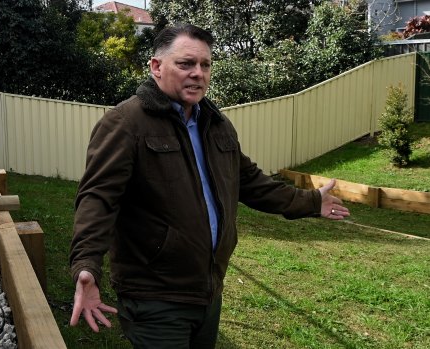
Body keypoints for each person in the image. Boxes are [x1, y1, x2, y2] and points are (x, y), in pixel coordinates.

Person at [69, 23, 350, 349]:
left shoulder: (216, 124)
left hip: (208, 290)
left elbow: (251, 182)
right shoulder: (126, 123)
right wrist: (86, 265)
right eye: (186, 64)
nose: (198, 73)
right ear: (156, 67)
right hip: (155, 295)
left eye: (205, 65)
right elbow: (98, 199)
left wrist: (311, 202)